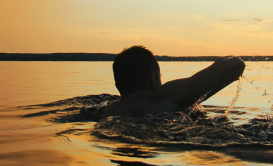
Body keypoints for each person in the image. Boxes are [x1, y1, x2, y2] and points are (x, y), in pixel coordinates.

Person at [100, 45, 245, 119]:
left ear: (118, 85)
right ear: (152, 79)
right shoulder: (157, 98)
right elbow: (234, 66)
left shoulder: (107, 111)